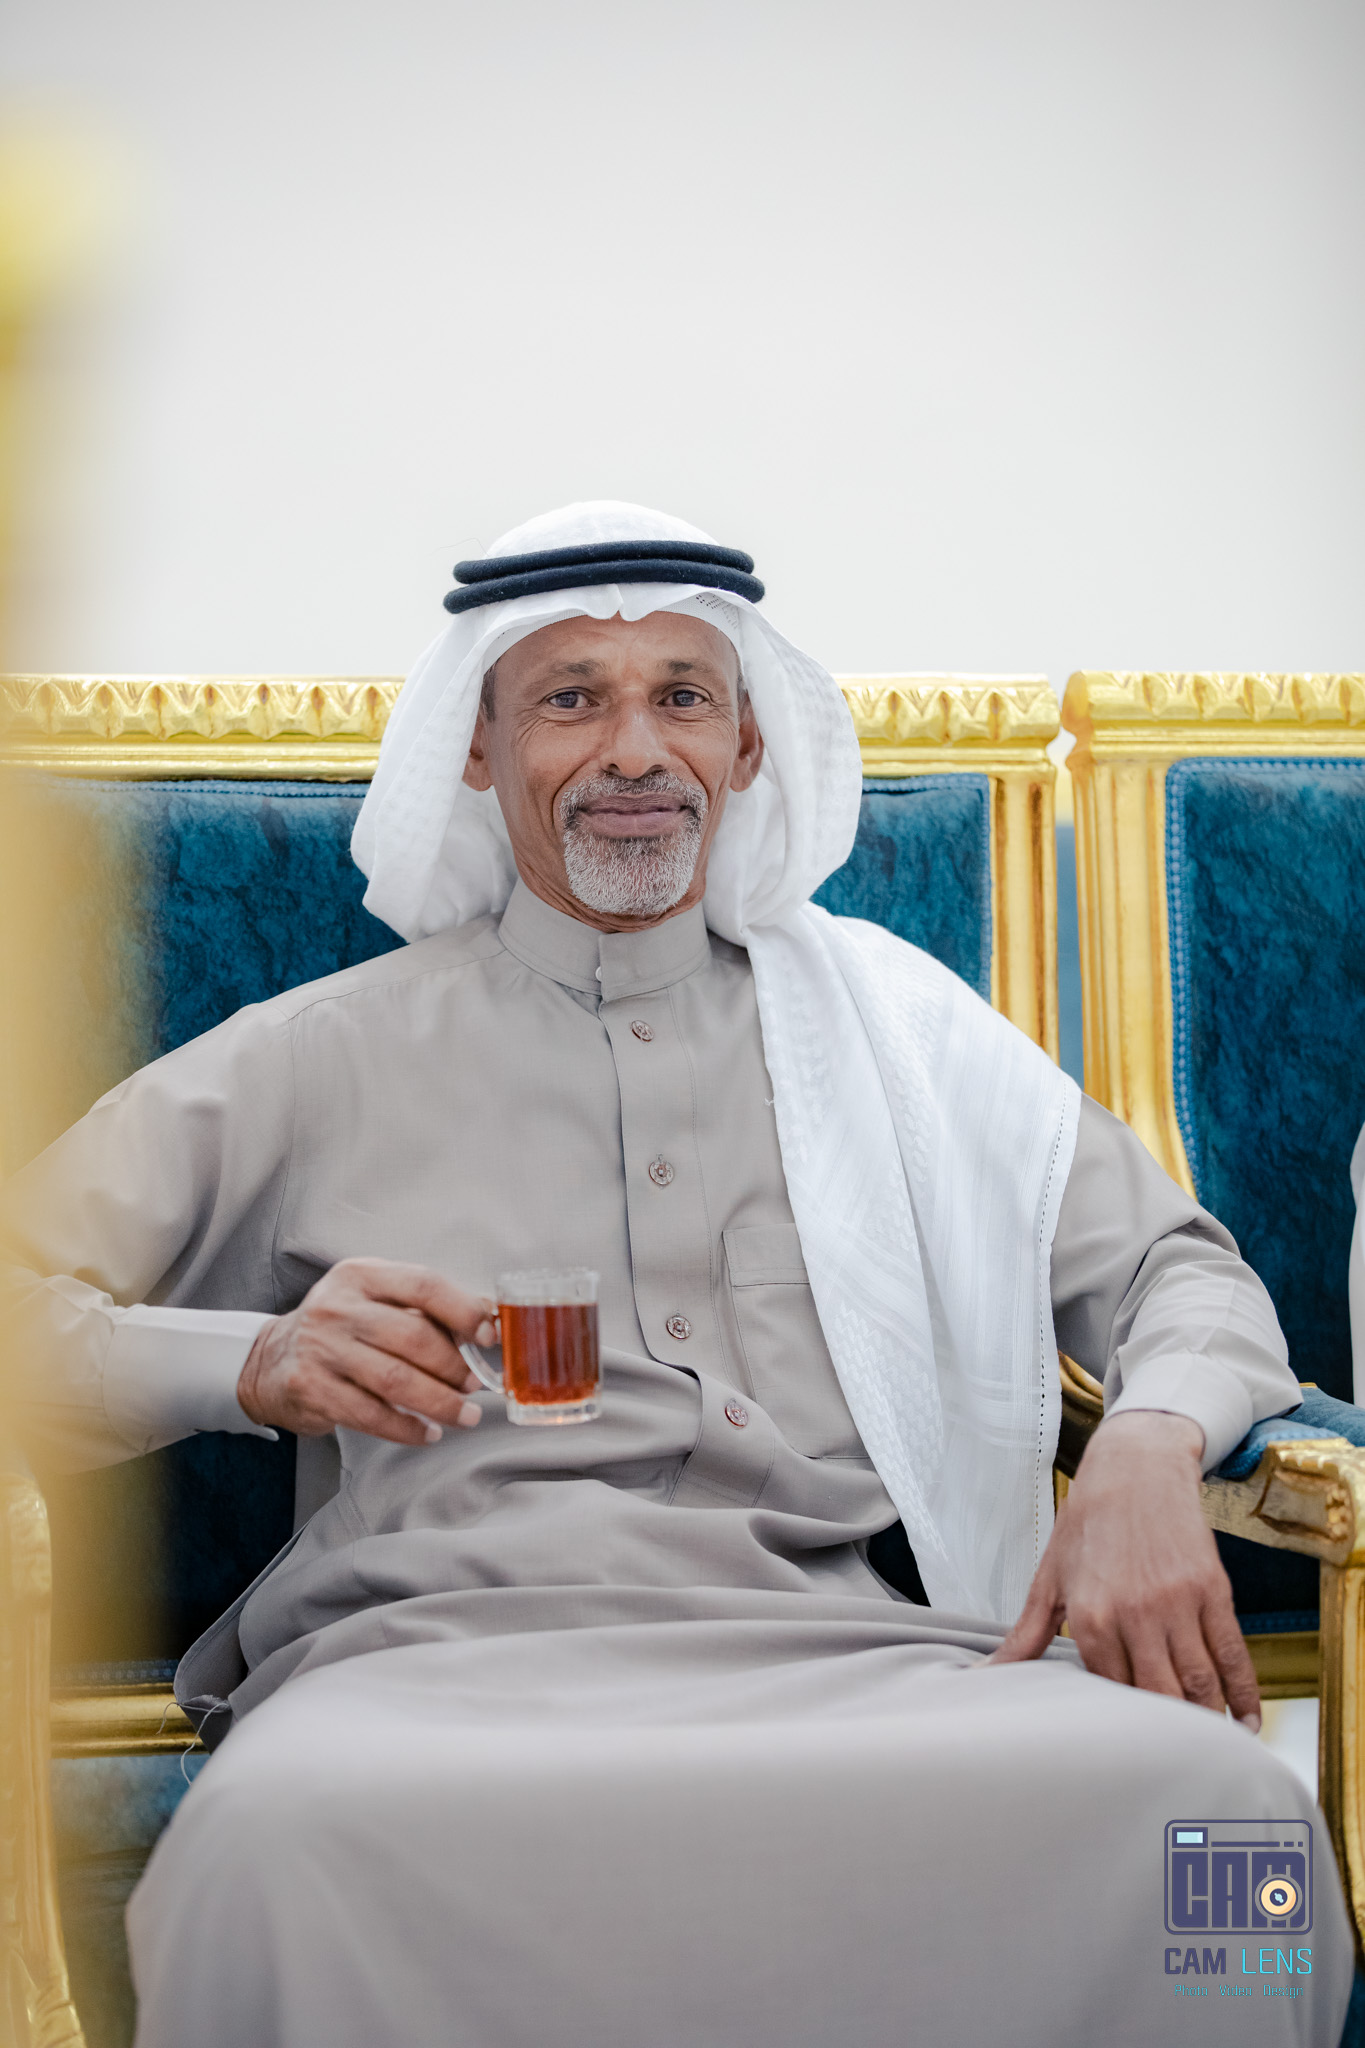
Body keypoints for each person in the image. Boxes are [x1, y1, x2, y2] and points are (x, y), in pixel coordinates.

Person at [3, 502, 1351, 2045]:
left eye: (682, 696)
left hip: (852, 1653)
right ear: (476, 746)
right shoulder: (317, 1057)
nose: (635, 751)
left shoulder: (889, 1041)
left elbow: (1183, 1273)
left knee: (1222, 1825)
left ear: (747, 744)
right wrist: (248, 1364)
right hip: (431, 1667)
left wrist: (1147, 1448)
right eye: (571, 698)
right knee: (276, 1843)